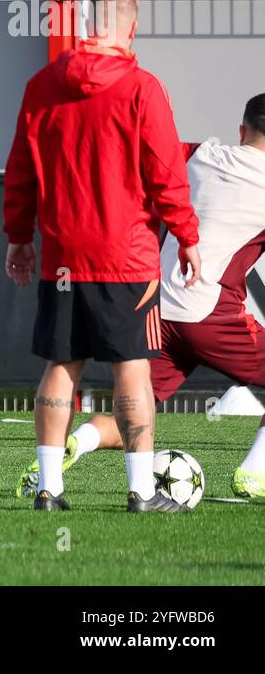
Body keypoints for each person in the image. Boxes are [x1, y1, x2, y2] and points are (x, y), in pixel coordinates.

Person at [4, 0, 202, 513]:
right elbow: (166, 173)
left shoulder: (42, 84)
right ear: (131, 27)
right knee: (131, 365)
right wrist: (186, 236)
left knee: (61, 365)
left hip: (63, 252)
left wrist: (19, 237)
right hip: (126, 255)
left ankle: (49, 488)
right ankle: (139, 493)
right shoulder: (142, 87)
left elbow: (20, 170)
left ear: (87, 23)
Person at [17, 93, 265, 500]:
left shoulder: (201, 154)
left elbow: (147, 158)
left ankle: (77, 442)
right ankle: (255, 473)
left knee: (136, 406)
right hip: (211, 314)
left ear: (242, 130)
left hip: (156, 308)